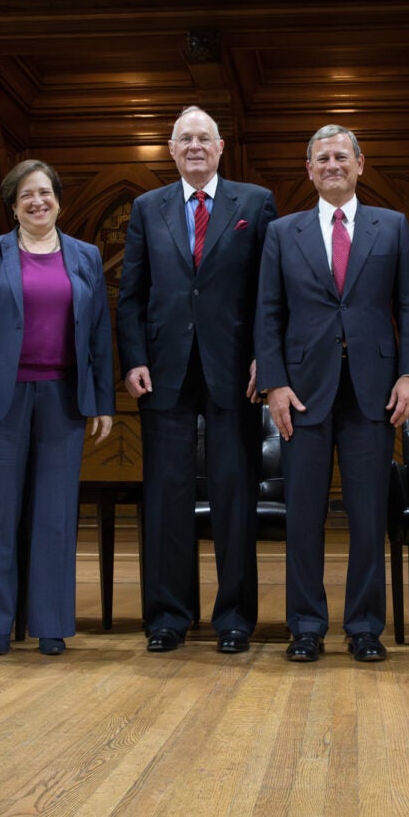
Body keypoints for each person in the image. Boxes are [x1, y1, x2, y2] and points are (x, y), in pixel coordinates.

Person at [255, 124, 409, 663]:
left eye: (341, 157)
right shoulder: (283, 232)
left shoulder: (393, 227)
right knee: (303, 514)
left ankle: (365, 627)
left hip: (374, 391)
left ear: (359, 164)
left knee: (367, 513)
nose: (332, 165)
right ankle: (305, 626)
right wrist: (275, 384)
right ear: (309, 170)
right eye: (322, 158)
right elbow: (268, 313)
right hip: (303, 392)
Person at [116, 106, 277, 654]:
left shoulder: (254, 203)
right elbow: (132, 292)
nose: (194, 146)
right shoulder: (146, 207)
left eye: (203, 138)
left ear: (221, 146)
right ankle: (168, 615)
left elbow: (267, 293)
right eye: (184, 138)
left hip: (236, 370)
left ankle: (234, 617)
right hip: (164, 371)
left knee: (235, 495)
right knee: (167, 497)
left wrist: (266, 358)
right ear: (170, 148)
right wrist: (133, 356)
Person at [0, 160, 115, 657]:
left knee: (56, 515)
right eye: (27, 195)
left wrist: (103, 401)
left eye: (45, 193)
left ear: (59, 200)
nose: (38, 202)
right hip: (2, 397)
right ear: (13, 204)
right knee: (0, 513)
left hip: (64, 397)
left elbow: (99, 334)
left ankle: (50, 624)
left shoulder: (85, 256)